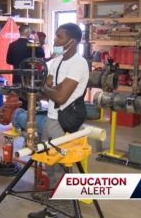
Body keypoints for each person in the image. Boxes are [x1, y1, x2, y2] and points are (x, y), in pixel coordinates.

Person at [28, 23, 89, 218]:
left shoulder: (79, 64)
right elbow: (49, 91)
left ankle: (64, 212)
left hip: (65, 122)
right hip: (50, 118)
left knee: (63, 169)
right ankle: (52, 210)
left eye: (59, 37)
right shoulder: (56, 61)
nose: (55, 41)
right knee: (51, 166)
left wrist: (46, 88)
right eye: (56, 36)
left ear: (73, 41)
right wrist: (49, 89)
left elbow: (60, 97)